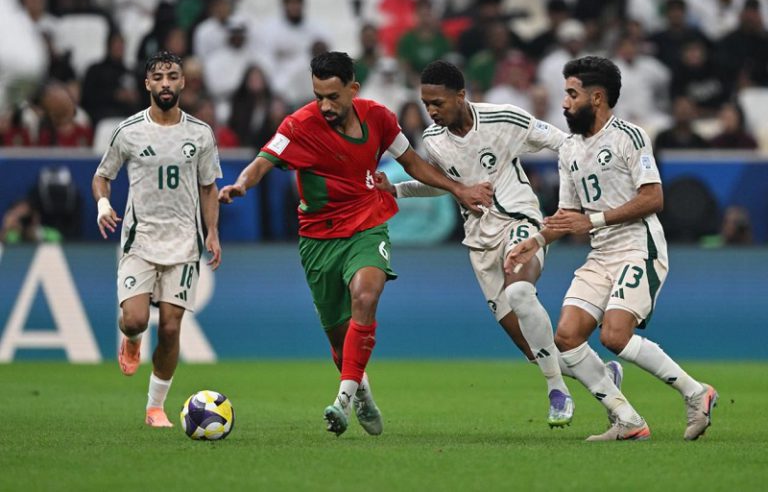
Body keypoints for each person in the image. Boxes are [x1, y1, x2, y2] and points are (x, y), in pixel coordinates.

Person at [218, 51, 492, 437]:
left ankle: (342, 400)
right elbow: (262, 161)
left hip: (367, 223)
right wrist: (240, 185)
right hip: (318, 238)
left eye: (333, 97)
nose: (325, 106)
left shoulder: (378, 117)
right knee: (339, 337)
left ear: (353, 89)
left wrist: (458, 189)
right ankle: (361, 390)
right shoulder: (298, 126)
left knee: (365, 295)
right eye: (319, 97)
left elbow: (413, 163)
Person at [376, 60, 624, 428]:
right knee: (532, 348)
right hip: (480, 242)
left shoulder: (504, 118)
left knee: (520, 292)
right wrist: (397, 189)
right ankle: (603, 374)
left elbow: (564, 143)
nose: (431, 111)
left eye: (438, 103)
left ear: (461, 95)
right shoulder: (433, 140)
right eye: (426, 104)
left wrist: (592, 186)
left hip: (520, 222)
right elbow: (446, 184)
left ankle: (557, 391)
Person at [506, 56, 718, 441]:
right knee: (567, 336)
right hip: (601, 254)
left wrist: (594, 222)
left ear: (597, 98)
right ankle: (627, 419)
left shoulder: (629, 136)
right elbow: (569, 215)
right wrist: (534, 241)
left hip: (638, 247)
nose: (564, 103)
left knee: (614, 336)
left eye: (572, 94)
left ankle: (695, 392)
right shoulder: (569, 149)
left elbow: (653, 198)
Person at [92, 51, 222, 428]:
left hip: (183, 244)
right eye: (159, 77)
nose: (166, 83)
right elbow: (102, 176)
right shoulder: (129, 131)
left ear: (183, 82)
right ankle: (132, 340)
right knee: (134, 320)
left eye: (172, 76)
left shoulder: (200, 133)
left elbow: (209, 187)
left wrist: (212, 232)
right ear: (147, 83)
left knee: (169, 327)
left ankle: (155, 408)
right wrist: (103, 204)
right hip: (141, 239)